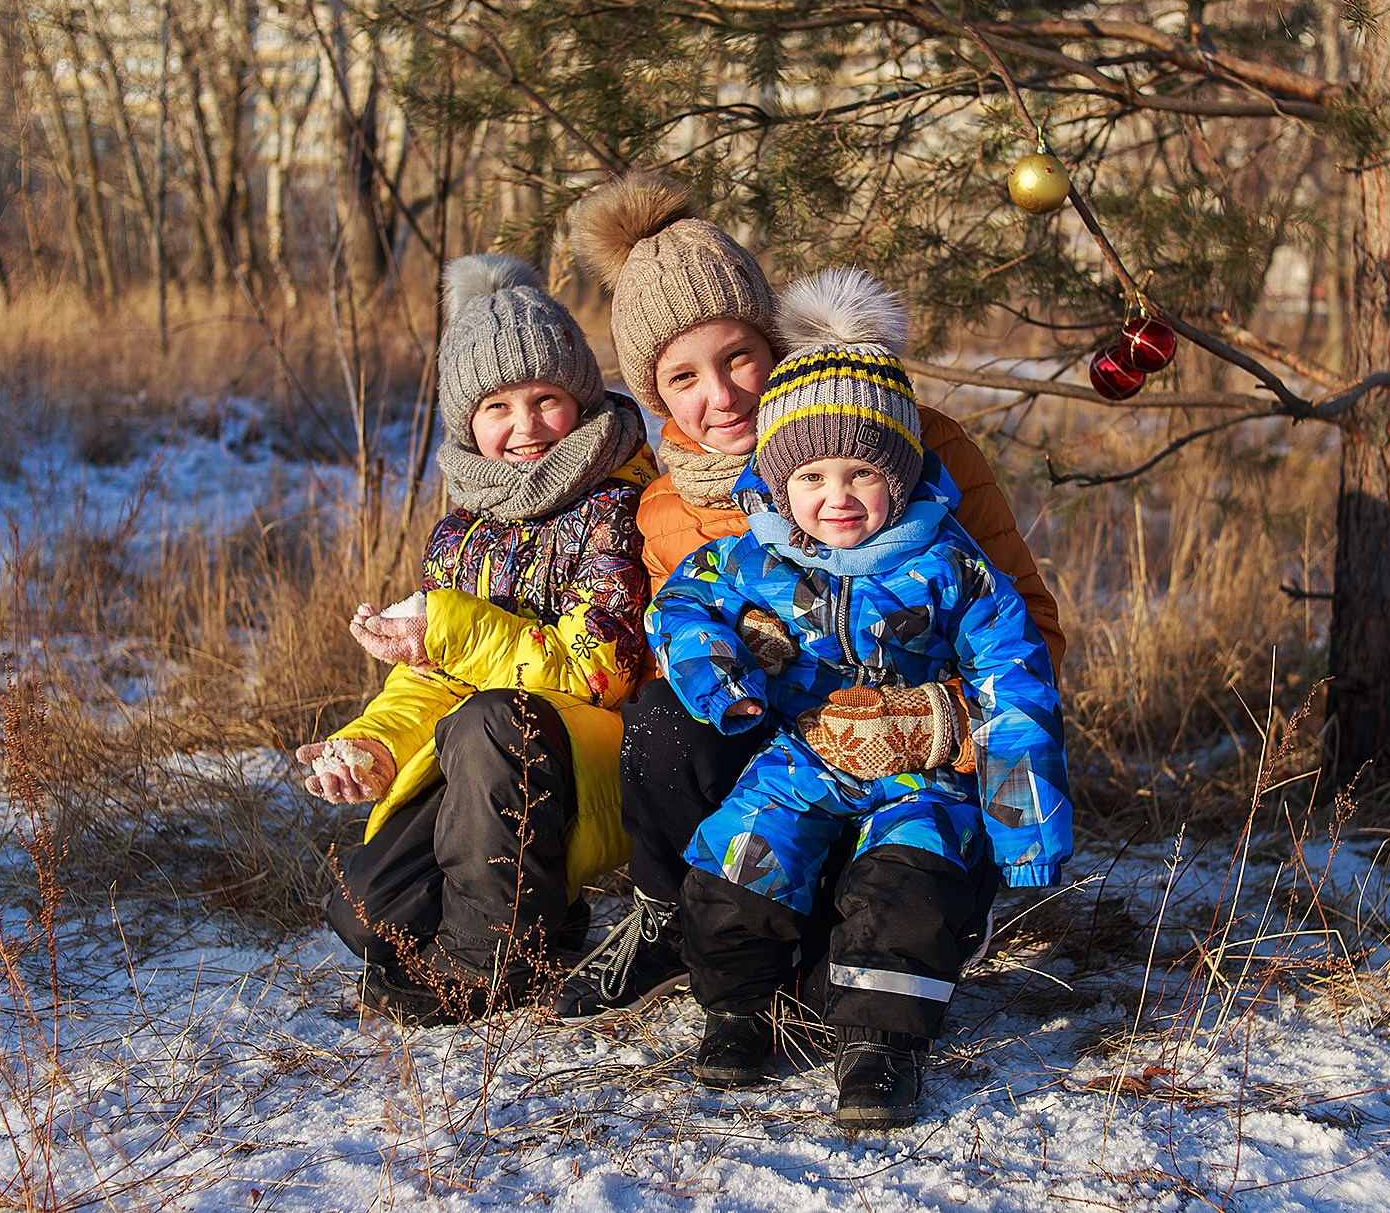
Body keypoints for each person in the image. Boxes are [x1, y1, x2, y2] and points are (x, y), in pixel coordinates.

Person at [553, 170, 1067, 1020]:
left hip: (914, 768)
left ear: (775, 343)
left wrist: (937, 719)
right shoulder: (665, 498)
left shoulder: (909, 444)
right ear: (653, 393)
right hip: (782, 766)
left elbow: (1028, 631)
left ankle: (905, 908)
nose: (718, 397)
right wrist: (733, 655)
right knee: (661, 716)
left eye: (739, 358)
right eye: (681, 378)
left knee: (849, 991)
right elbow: (658, 663)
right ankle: (679, 912)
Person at [649, 268, 1070, 1130]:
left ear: (903, 474)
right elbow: (681, 608)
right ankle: (738, 1011)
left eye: (859, 475)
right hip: (801, 757)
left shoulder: (954, 565)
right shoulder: (756, 556)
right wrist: (724, 673)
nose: (835, 499)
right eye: (810, 479)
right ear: (776, 481)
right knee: (736, 864)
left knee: (903, 890)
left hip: (922, 775)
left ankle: (881, 1048)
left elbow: (1016, 688)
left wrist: (1022, 822)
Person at [298, 254, 652, 1027]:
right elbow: (431, 682)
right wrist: (376, 744)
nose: (524, 426)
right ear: (468, 421)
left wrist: (451, 625)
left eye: (546, 398)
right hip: (491, 760)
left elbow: (598, 672)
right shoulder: (462, 534)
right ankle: (546, 924)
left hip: (597, 753)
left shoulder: (616, 507)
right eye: (497, 406)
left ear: (582, 396)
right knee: (369, 910)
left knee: (495, 719)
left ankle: (489, 962)